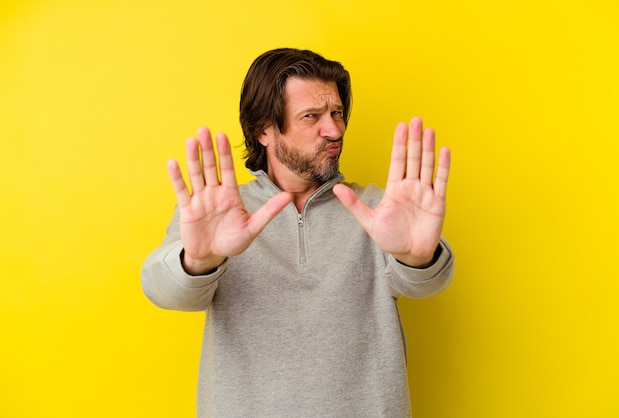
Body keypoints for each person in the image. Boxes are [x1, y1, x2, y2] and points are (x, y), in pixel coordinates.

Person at [141, 48, 454, 417]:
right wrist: (200, 261)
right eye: (312, 116)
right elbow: (161, 288)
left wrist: (417, 257)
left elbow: (426, 283)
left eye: (337, 113)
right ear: (264, 131)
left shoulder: (378, 209)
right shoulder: (220, 211)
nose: (334, 129)